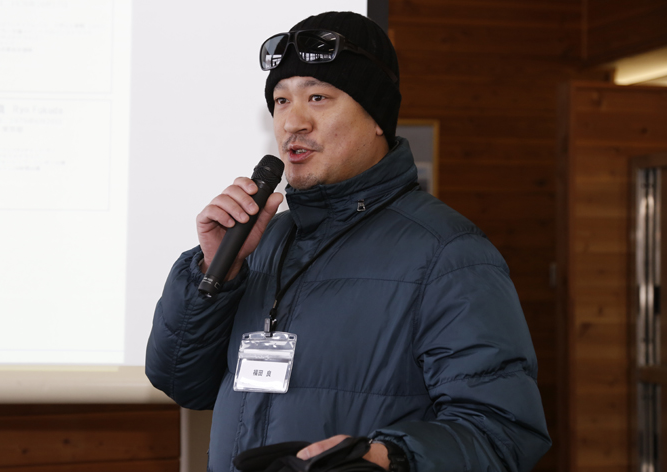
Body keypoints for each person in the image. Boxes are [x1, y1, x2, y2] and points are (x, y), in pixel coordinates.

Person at [146, 11, 551, 472]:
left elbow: (503, 431)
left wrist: (390, 458)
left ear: (377, 117)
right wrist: (214, 273)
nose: (292, 122)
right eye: (281, 100)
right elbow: (181, 381)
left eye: (318, 97)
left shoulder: (450, 254)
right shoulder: (261, 242)